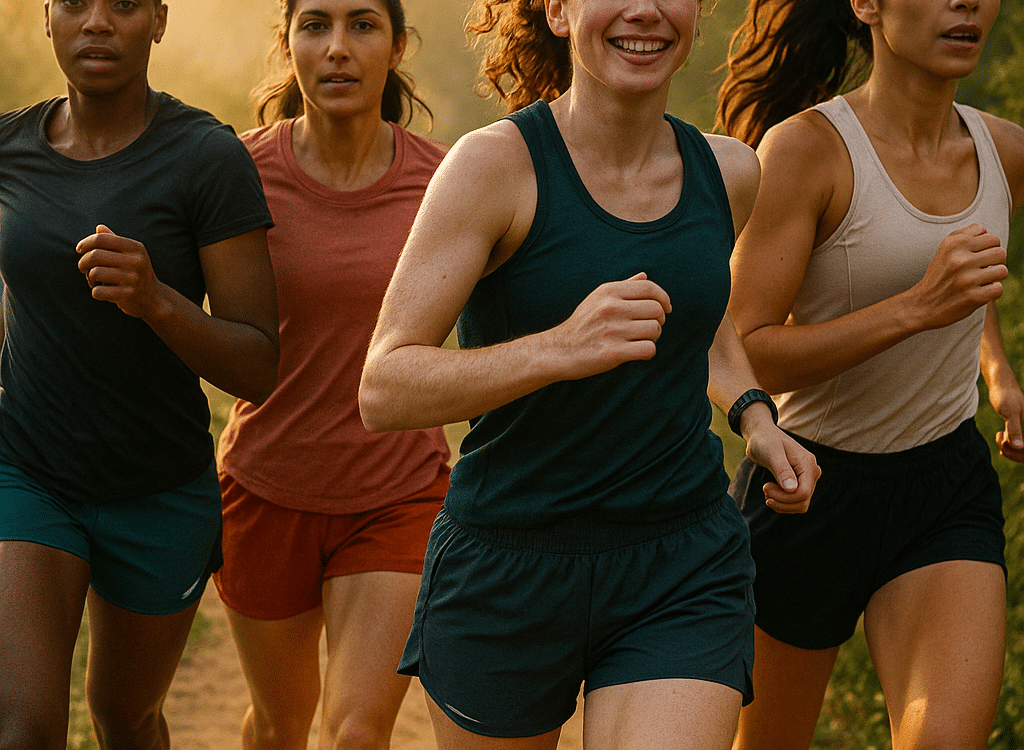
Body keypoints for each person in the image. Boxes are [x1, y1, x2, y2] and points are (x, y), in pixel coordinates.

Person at [358, 0, 821, 747]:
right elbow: (384, 387)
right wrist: (557, 348)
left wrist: (755, 415)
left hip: (681, 560)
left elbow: (699, 316)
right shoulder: (493, 167)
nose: (644, 10)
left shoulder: (730, 170)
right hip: (509, 561)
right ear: (558, 10)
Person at [717, 0, 1024, 747]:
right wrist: (916, 308)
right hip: (806, 490)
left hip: (943, 487)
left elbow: (965, 277)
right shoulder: (806, 151)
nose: (966, 4)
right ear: (866, 4)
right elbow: (745, 346)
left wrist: (998, 375)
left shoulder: (1005, 151)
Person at [0, 1, 279, 748]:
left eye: (123, 4)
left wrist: (156, 299)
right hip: (28, 471)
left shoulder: (207, 157)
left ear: (158, 19)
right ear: (46, 17)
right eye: (75, 3)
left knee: (125, 719)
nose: (96, 22)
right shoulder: (9, 147)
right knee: (22, 729)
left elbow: (257, 364)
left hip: (159, 490)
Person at [209, 1, 451, 749]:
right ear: (288, 42)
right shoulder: (237, 173)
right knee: (279, 726)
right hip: (265, 489)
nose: (338, 48)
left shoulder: (445, 180)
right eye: (315, 25)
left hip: (399, 492)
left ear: (398, 45)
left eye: (362, 25)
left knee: (355, 731)